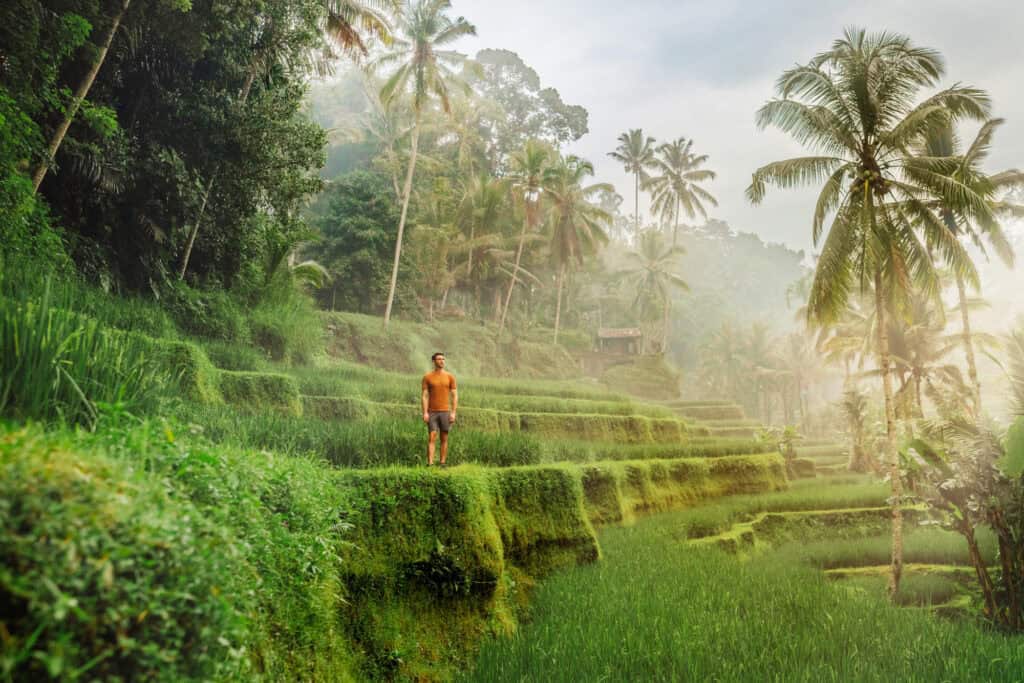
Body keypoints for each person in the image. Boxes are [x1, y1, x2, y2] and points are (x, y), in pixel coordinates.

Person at [422, 352, 457, 466]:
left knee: (444, 437)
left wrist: (453, 412)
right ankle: (430, 463)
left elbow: (454, 395)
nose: (442, 361)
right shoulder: (427, 377)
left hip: (445, 412)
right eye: (439, 359)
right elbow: (425, 396)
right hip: (432, 412)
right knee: (432, 436)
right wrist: (425, 412)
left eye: (443, 359)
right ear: (434, 361)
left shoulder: (450, 376)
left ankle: (442, 463)